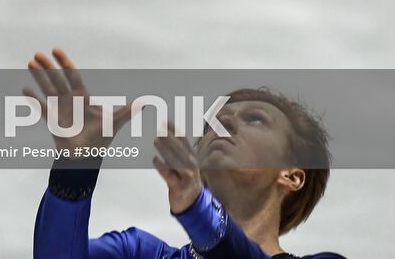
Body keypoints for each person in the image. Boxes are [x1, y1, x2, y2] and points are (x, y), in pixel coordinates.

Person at [27, 48, 343, 259]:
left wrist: (197, 209)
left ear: (292, 174)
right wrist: (76, 167)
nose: (225, 125)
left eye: (255, 120)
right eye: (213, 125)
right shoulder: (137, 252)